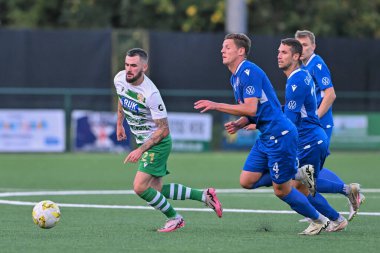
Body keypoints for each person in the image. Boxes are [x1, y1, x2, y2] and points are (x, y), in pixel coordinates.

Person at [194, 33, 329, 235]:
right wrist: (240, 124)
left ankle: (319, 220)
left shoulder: (249, 71)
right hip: (266, 136)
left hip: (280, 134)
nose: (222, 50)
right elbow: (257, 110)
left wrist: (216, 105)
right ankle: (297, 172)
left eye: (227, 47)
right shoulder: (236, 75)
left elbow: (250, 108)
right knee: (246, 181)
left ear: (241, 51)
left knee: (281, 189)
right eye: (223, 47)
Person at [114, 48, 223, 233]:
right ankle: (205, 196)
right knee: (157, 189)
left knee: (140, 187)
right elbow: (122, 98)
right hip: (144, 142)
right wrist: (119, 124)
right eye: (126, 64)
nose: (128, 69)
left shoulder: (151, 94)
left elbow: (164, 129)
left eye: (133, 65)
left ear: (144, 67)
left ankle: (175, 218)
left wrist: (141, 150)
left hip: (158, 143)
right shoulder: (119, 78)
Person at [278, 38, 348, 232]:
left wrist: (266, 128)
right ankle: (334, 214)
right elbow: (290, 111)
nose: (279, 55)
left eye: (284, 52)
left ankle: (324, 218)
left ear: (296, 55)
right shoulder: (300, 75)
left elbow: (290, 120)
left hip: (309, 138)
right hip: (313, 137)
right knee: (304, 184)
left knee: (293, 184)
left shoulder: (299, 78)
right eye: (279, 51)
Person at [295, 30, 365, 221]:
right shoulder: (303, 67)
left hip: (319, 126)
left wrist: (314, 118)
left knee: (304, 175)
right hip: (312, 127)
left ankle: (345, 195)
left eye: (305, 45)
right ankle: (348, 193)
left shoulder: (317, 64)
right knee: (309, 173)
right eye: (298, 45)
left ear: (313, 47)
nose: (301, 49)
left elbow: (330, 94)